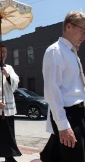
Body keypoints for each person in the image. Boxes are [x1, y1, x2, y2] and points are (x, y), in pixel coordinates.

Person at [40, 11, 85, 162]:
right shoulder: (55, 51)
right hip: (68, 114)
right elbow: (52, 91)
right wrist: (63, 126)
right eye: (82, 31)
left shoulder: (72, 52)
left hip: (79, 113)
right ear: (69, 26)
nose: (84, 36)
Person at [0, 45, 22, 162]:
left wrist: (8, 76)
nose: (4, 54)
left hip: (9, 104)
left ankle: (9, 156)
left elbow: (16, 81)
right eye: (2, 51)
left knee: (9, 132)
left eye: (6, 52)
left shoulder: (9, 67)